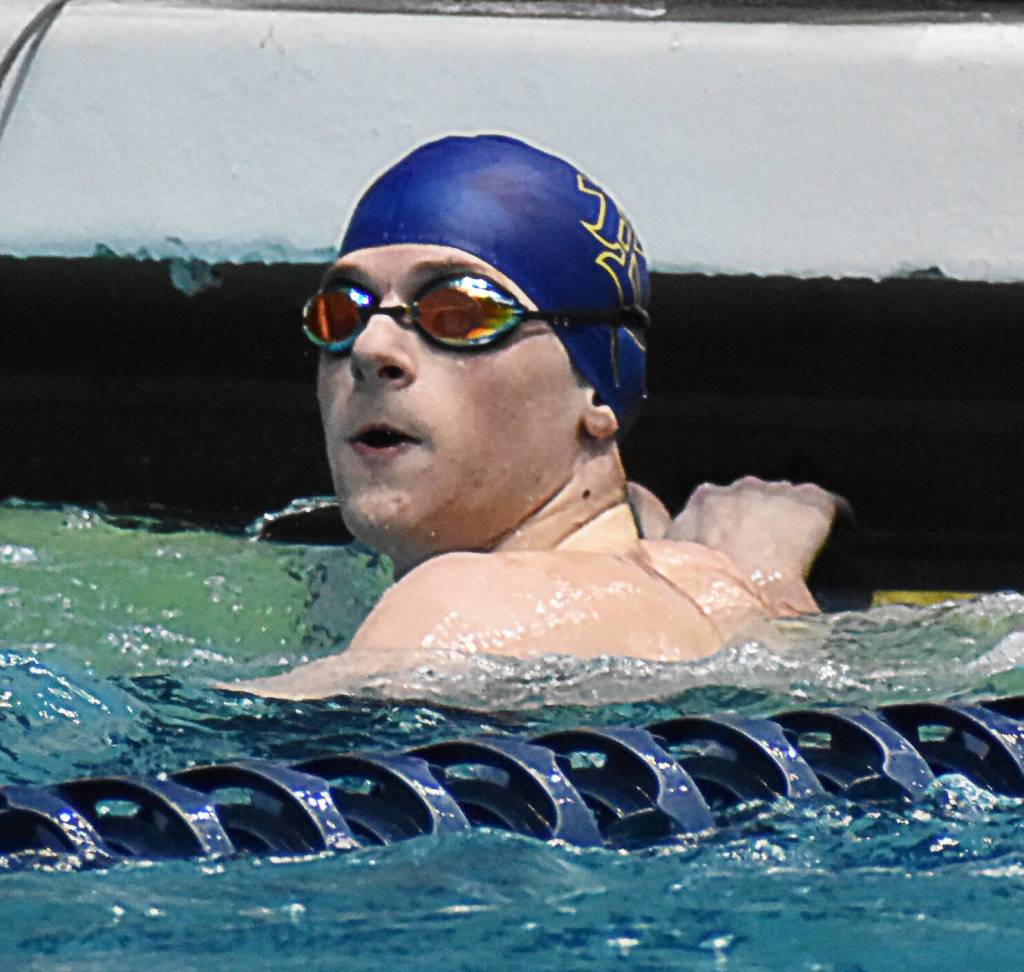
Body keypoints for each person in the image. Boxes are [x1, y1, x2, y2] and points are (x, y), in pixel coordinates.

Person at [235, 134, 838, 699]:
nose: (370, 350)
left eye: (458, 311)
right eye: (342, 314)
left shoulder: (456, 607)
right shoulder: (714, 594)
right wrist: (771, 586)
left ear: (598, 389)